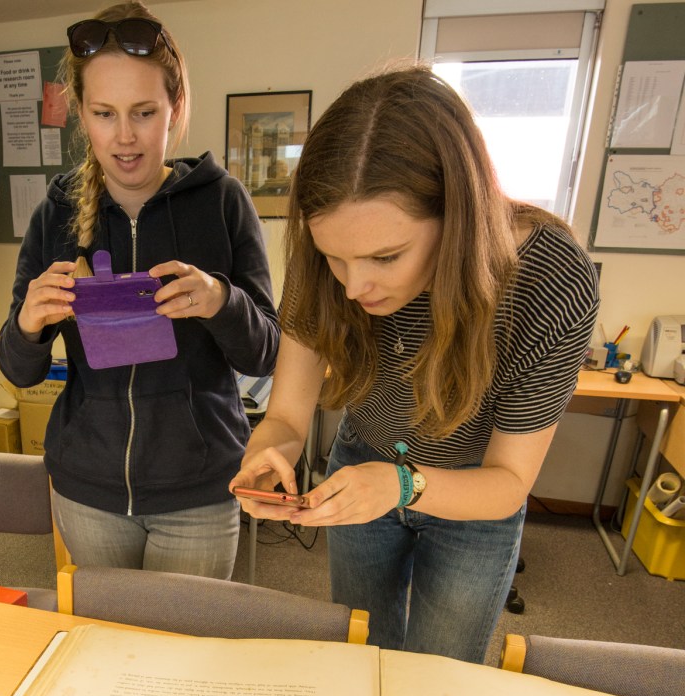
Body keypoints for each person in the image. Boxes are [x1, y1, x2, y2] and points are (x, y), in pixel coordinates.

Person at [230, 65, 599, 663]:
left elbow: (508, 482)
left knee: (441, 671)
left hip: (472, 491)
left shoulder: (550, 279)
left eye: (386, 256)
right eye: (335, 259)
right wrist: (267, 454)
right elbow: (289, 417)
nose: (354, 288)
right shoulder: (328, 263)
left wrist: (402, 484)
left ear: (460, 215)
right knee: (363, 650)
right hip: (363, 464)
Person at [0, 4, 279, 579]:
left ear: (175, 110)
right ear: (82, 114)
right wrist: (29, 323)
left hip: (198, 489)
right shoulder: (56, 211)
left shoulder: (222, 202)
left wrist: (221, 302)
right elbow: (18, 370)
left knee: (184, 658)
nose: (124, 137)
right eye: (104, 113)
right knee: (107, 645)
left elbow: (267, 352)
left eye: (145, 112)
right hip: (88, 489)